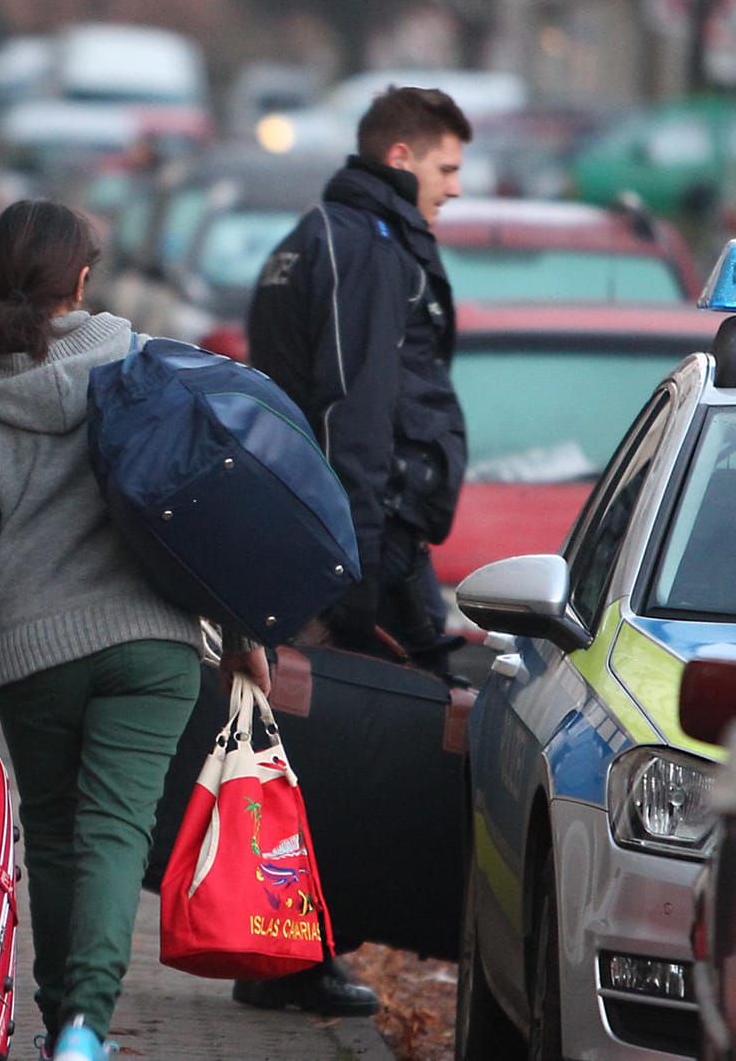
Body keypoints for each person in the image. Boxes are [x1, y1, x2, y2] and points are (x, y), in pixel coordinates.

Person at [0, 199, 269, 1061]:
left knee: (57, 836)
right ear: (84, 279)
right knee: (115, 834)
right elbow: (200, 511)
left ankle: (58, 1016)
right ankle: (83, 1030)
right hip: (152, 643)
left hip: (34, 657)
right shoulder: (138, 360)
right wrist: (242, 625)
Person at [239, 85, 473, 1017]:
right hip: (356, 540)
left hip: (334, 533)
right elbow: (355, 412)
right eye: (449, 168)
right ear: (405, 157)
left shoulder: (319, 239)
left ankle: (291, 955)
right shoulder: (364, 250)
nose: (457, 190)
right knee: (367, 749)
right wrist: (362, 566)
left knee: (316, 747)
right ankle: (297, 959)